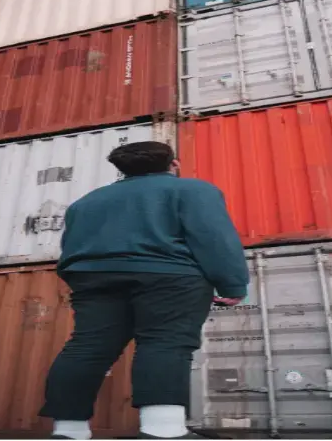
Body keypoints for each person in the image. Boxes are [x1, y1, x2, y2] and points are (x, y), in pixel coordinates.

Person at [40, 141, 250, 440]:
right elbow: (214, 238)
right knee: (165, 342)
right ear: (173, 165)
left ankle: (68, 431)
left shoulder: (86, 202)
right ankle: (163, 430)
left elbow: (70, 248)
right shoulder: (193, 190)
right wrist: (232, 283)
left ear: (122, 169)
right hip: (169, 275)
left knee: (87, 347)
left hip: (93, 278)